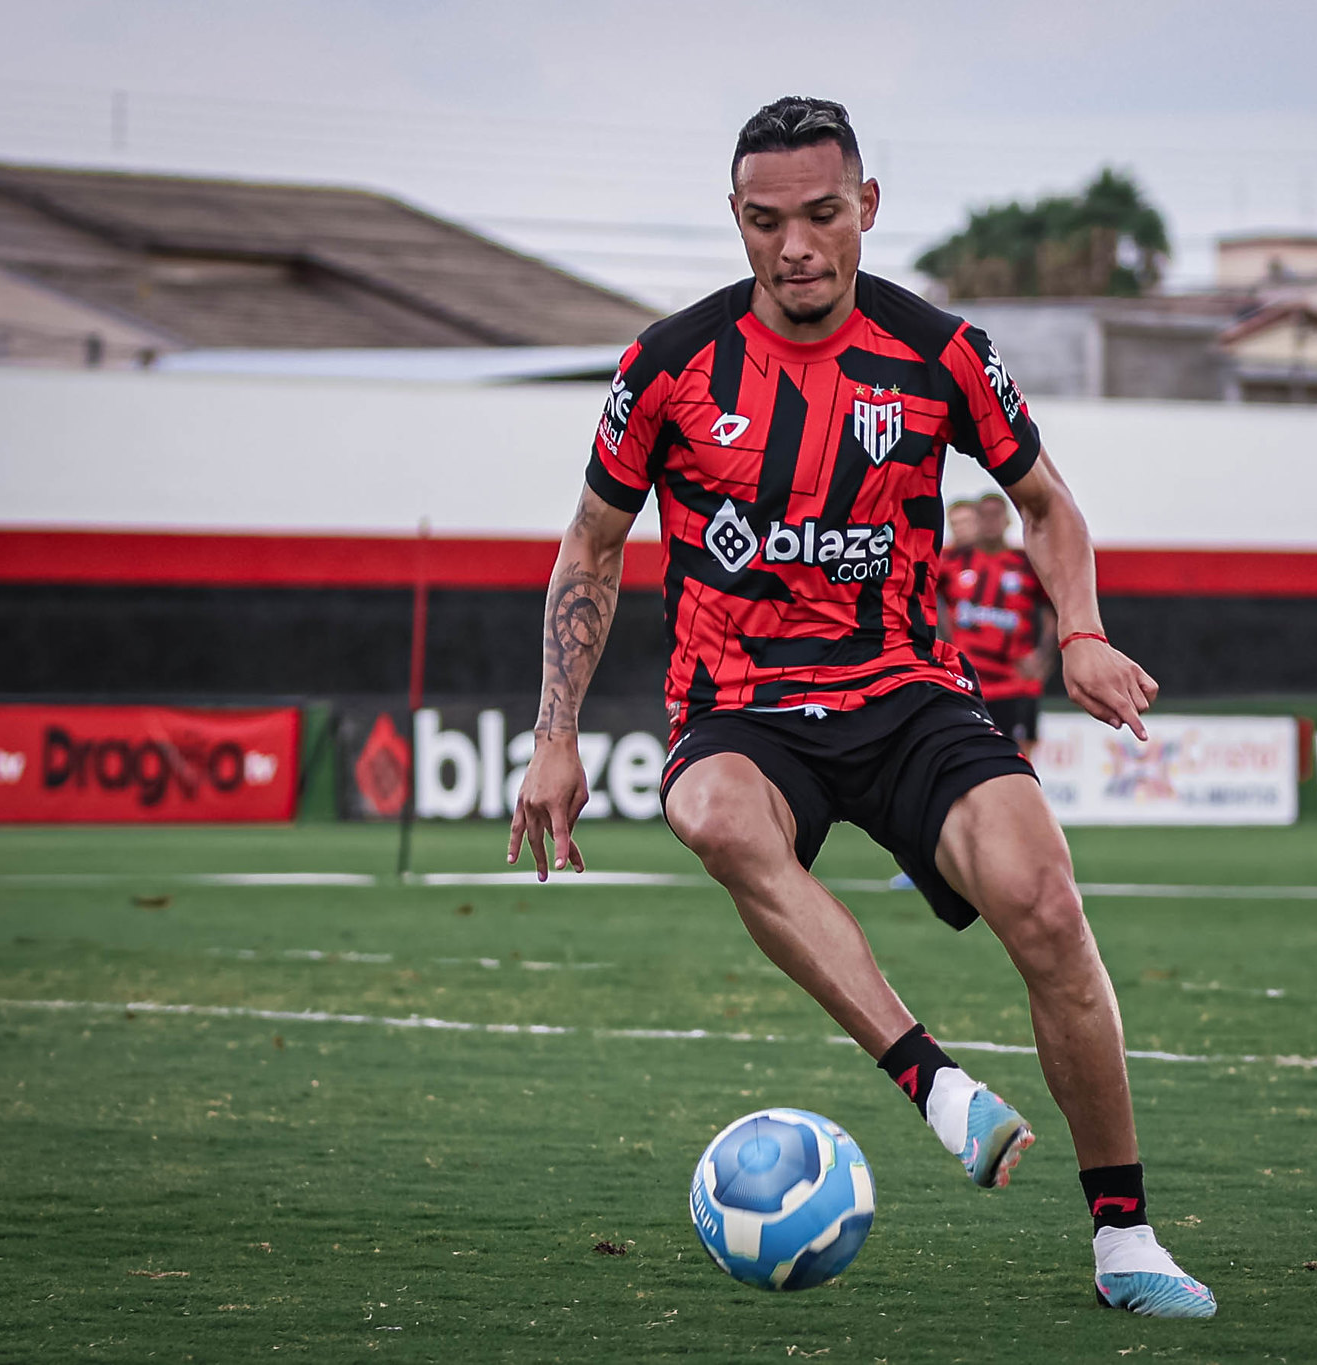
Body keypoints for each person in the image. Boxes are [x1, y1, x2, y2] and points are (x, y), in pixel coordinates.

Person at [508, 97, 1215, 1319]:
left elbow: (1046, 506)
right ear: (734, 221)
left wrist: (1081, 631)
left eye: (821, 215)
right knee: (718, 819)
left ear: (866, 209)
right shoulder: (666, 365)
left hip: (904, 693)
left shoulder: (941, 353)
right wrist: (553, 735)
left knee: (1046, 906)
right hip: (741, 709)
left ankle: (1124, 1239)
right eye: (764, 220)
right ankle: (937, 1090)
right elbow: (591, 545)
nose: (794, 246)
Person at [939, 490, 1057, 752]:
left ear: (1007, 520)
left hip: (1017, 682)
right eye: (985, 515)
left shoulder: (1025, 564)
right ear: (976, 520)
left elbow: (1054, 609)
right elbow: (927, 601)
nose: (991, 522)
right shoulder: (951, 563)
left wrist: (1043, 657)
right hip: (969, 680)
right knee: (968, 752)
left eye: (997, 515)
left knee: (1019, 755)